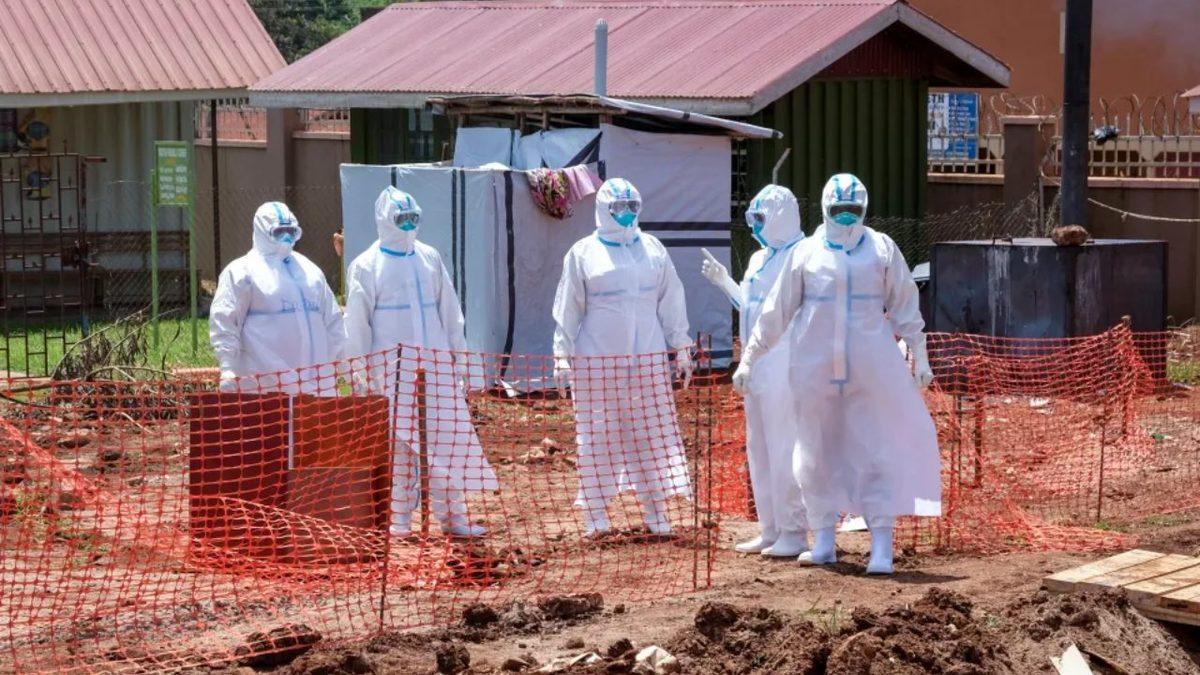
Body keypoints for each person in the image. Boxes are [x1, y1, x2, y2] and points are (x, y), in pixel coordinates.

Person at [732, 173, 940, 575]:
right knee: (814, 450)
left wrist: (920, 353)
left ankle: (882, 545)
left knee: (875, 450)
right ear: (826, 208)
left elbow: (904, 303)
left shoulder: (881, 249)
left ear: (864, 208)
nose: (846, 218)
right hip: (814, 370)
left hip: (871, 370)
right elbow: (777, 312)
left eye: (853, 210)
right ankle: (823, 538)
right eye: (838, 210)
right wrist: (750, 357)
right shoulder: (806, 253)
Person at [344, 187, 498, 538]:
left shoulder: (429, 257)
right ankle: (399, 520)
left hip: (437, 368)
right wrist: (360, 373)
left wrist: (458, 359)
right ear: (385, 219)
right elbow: (356, 324)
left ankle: (453, 518)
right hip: (392, 372)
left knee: (446, 440)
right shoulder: (366, 265)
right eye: (401, 219)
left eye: (414, 218)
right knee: (399, 445)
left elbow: (450, 312)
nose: (409, 225)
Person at [552, 177, 694, 536]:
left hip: (647, 359)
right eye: (618, 207)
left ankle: (655, 511)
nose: (627, 213)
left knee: (651, 432)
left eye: (633, 206)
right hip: (598, 360)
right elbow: (568, 308)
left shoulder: (653, 249)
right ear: (604, 209)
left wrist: (681, 346)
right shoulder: (583, 253)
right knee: (598, 434)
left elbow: (672, 299)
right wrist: (562, 355)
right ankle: (596, 515)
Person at [700, 184, 808, 558]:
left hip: (785, 362)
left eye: (760, 218)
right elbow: (751, 307)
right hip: (755, 363)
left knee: (784, 447)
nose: (755, 226)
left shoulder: (802, 256)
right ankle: (770, 528)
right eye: (751, 218)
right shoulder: (759, 258)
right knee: (759, 448)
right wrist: (724, 283)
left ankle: (794, 530)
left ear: (780, 216)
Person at [209, 201, 343, 394]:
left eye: (291, 231)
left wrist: (345, 363)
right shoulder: (241, 272)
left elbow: (333, 321)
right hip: (265, 387)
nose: (286, 238)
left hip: (317, 387)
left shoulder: (310, 271)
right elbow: (225, 321)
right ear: (262, 231)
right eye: (279, 231)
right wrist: (228, 367)